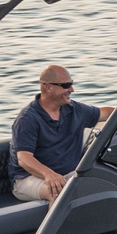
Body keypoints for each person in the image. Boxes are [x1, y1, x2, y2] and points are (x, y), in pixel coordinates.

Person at [11, 65, 104, 203]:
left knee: (105, 181)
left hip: (64, 173)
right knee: (57, 191)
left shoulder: (73, 109)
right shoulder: (27, 119)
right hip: (28, 178)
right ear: (48, 87)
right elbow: (24, 158)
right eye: (66, 85)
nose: (71, 90)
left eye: (71, 84)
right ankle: (56, 225)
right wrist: (49, 175)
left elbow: (105, 113)